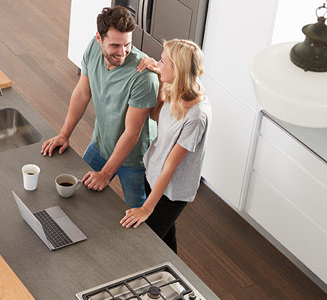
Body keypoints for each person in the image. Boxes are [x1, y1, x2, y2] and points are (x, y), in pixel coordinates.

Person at [40, 6, 159, 208]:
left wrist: (105, 174)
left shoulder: (144, 77)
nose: (122, 52)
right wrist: (64, 134)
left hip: (134, 159)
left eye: (127, 45)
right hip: (101, 143)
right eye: (115, 45)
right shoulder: (93, 49)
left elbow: (132, 133)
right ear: (99, 38)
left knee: (137, 216)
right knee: (75, 194)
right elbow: (82, 93)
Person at [120, 39, 211, 254]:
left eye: (162, 61)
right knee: (165, 237)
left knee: (146, 244)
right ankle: (176, 282)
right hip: (153, 173)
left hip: (173, 191)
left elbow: (171, 166)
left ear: (177, 69)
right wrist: (160, 80)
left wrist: (146, 208)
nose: (158, 63)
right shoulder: (177, 87)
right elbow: (156, 115)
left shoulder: (197, 116)